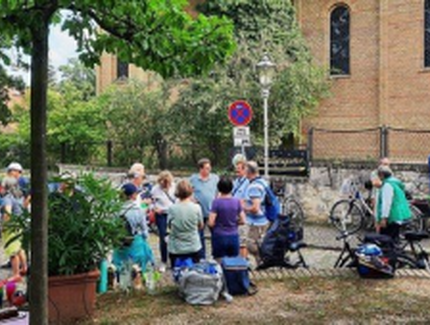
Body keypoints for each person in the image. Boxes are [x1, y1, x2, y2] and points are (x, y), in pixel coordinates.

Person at [113, 183, 154, 278]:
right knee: (139, 263)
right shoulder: (138, 210)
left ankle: (119, 279)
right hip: (135, 242)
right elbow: (144, 230)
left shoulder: (115, 209)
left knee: (120, 264)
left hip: (120, 242)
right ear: (132, 195)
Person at [167, 179, 204, 268]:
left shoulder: (172, 208)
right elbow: (201, 225)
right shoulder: (196, 208)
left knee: (177, 274)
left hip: (176, 248)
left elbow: (169, 226)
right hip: (193, 246)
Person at [208, 177, 246, 261]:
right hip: (233, 236)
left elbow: (211, 222)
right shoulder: (237, 201)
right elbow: (243, 220)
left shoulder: (216, 202)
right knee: (233, 263)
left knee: (219, 262)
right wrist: (235, 223)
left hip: (219, 236)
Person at [189, 158, 219, 259]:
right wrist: (192, 199)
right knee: (199, 235)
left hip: (212, 212)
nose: (209, 170)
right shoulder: (193, 179)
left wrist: (217, 200)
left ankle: (216, 255)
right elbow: (188, 191)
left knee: (215, 234)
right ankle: (201, 257)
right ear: (201, 169)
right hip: (199, 212)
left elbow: (219, 191)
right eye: (206, 168)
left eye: (209, 168)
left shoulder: (215, 178)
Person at [1, 177, 27, 282]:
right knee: (20, 248)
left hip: (11, 226)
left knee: (12, 251)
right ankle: (24, 268)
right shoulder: (19, 195)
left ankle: (16, 274)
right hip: (19, 224)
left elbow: (8, 213)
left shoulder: (7, 198)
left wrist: (3, 226)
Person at [375, 165, 411, 242]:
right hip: (399, 216)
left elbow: (386, 203)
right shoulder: (395, 183)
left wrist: (384, 218)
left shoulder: (387, 185)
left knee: (387, 242)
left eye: (378, 175)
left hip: (392, 217)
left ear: (382, 175)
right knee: (394, 240)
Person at [243, 161, 269, 265]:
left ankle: (262, 260)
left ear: (249, 172)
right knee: (258, 243)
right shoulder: (263, 182)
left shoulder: (254, 186)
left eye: (244, 169)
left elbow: (255, 208)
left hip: (256, 222)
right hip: (264, 219)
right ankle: (261, 262)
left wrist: (243, 208)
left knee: (250, 244)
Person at [150, 170, 176, 273]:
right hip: (161, 215)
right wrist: (154, 208)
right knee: (163, 237)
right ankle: (164, 260)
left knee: (173, 236)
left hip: (172, 213)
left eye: (167, 183)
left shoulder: (174, 187)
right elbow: (151, 202)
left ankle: (174, 260)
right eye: (163, 183)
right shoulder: (155, 189)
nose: (165, 185)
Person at [232, 154, 249, 257]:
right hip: (234, 214)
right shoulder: (236, 181)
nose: (237, 172)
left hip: (242, 214)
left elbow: (245, 200)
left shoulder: (247, 182)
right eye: (236, 170)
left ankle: (243, 260)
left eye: (239, 170)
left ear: (244, 170)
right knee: (237, 240)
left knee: (243, 241)